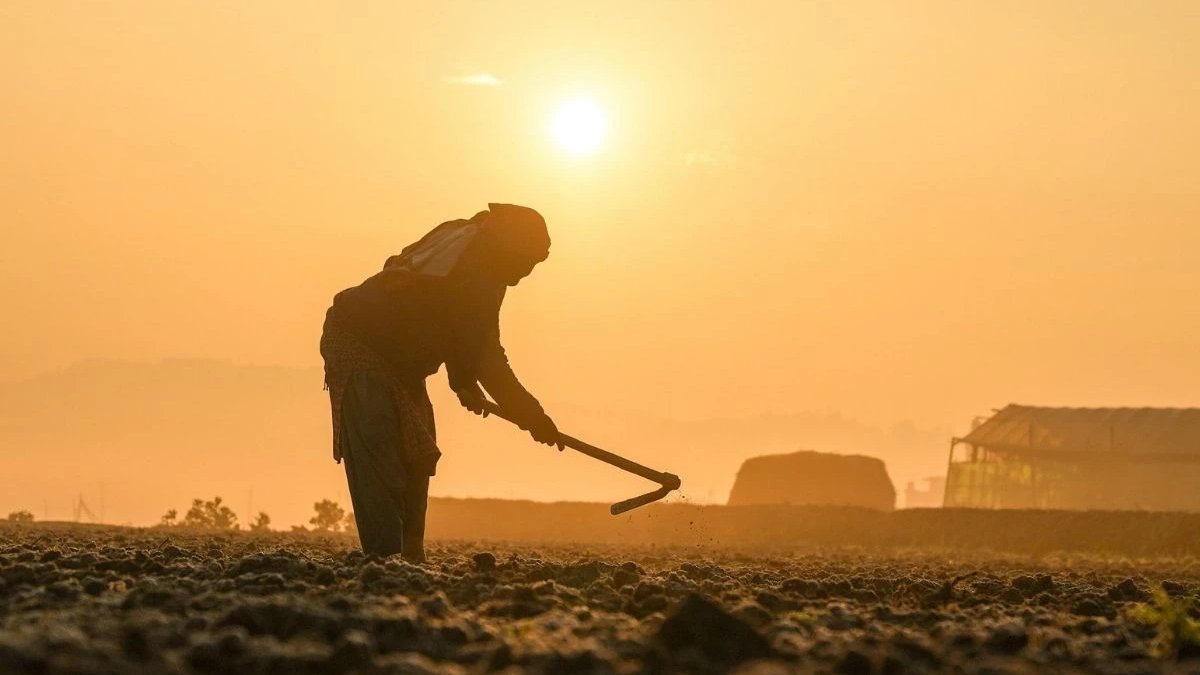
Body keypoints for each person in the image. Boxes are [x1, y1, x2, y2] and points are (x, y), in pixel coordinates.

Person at [320, 204, 562, 562]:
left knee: (417, 453)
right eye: (526, 261)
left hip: (403, 360)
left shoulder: (473, 250)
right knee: (380, 451)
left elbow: (454, 325)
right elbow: (487, 356)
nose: (524, 274)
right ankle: (385, 561)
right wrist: (533, 417)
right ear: (508, 247)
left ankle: (411, 559)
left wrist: (462, 380)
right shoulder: (476, 271)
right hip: (359, 342)